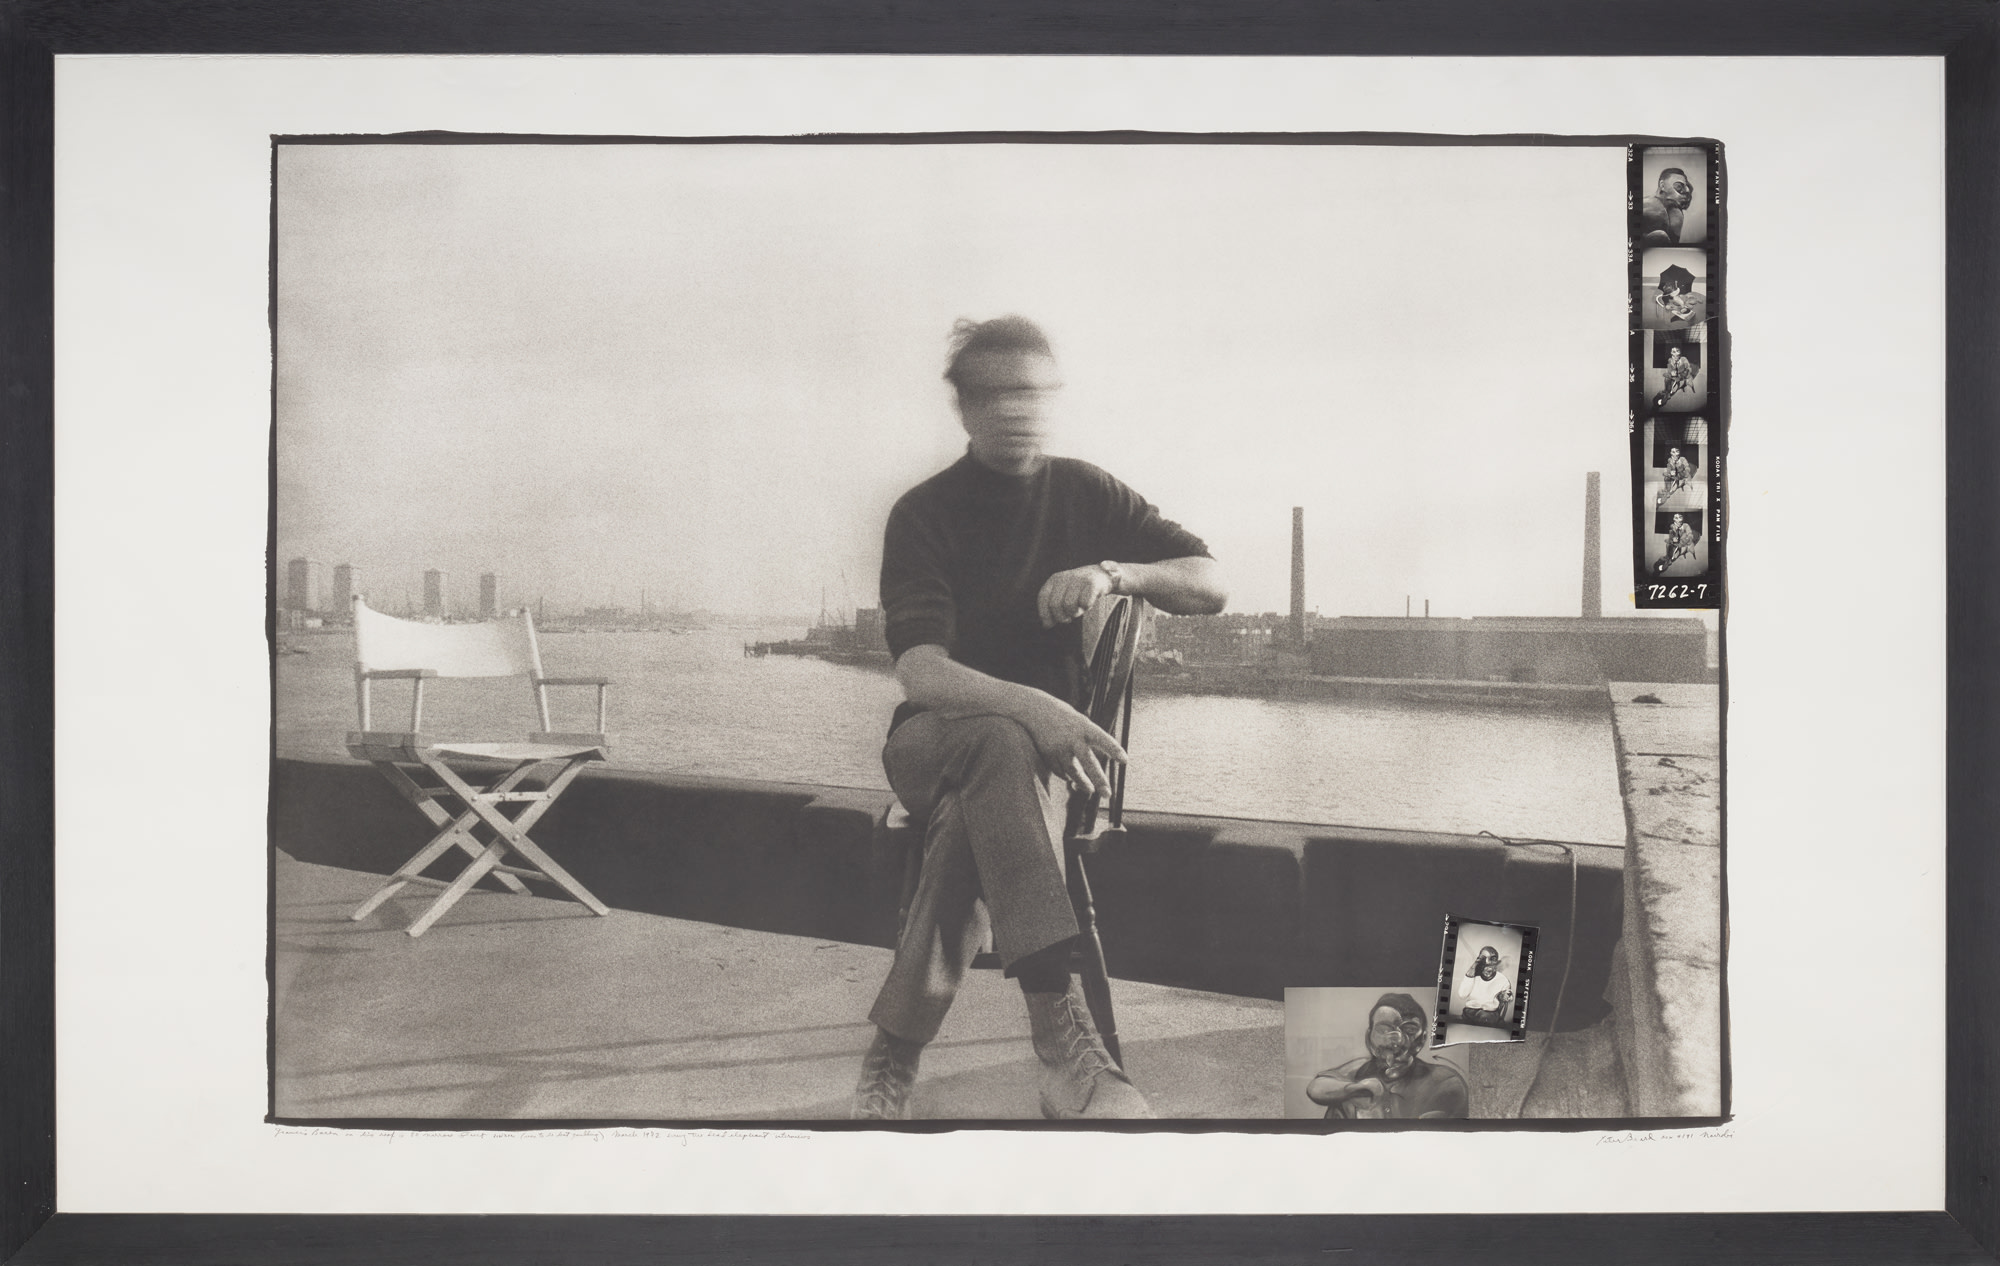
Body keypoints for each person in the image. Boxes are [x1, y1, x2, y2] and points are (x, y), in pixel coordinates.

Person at [852, 316, 1228, 1121]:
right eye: (995, 393)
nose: (1017, 410)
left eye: (1033, 391)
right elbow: (921, 671)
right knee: (995, 739)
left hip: (1035, 768)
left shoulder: (1087, 493)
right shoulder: (924, 513)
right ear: (962, 407)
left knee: (974, 812)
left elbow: (1210, 583)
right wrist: (1042, 710)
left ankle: (893, 1057)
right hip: (931, 744)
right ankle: (1060, 1040)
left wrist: (1114, 571)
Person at [1306, 993, 1469, 1121]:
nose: (1395, 1041)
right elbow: (1316, 1086)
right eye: (1383, 1030)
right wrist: (1358, 1089)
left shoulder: (1443, 1083)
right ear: (1368, 1037)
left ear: (1422, 1039)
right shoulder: (1361, 1069)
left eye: (1409, 1030)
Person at [1454, 945, 1513, 1027]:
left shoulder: (1503, 980)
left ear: (1497, 962)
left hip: (1489, 1015)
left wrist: (1504, 996)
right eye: (1484, 958)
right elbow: (1462, 995)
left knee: (1484, 1017)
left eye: (1492, 959)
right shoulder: (1473, 975)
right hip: (1470, 1012)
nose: (1488, 963)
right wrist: (1473, 968)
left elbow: (1506, 996)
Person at [1640, 166, 1695, 247]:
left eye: (1685, 187)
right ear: (1662, 185)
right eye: (1679, 186)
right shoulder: (1644, 205)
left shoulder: (1676, 213)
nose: (1686, 191)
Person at [1655, 344, 1697, 408]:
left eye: (1677, 351)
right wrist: (1671, 372)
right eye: (1673, 351)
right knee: (1667, 378)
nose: (1675, 354)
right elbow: (1669, 368)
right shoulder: (1670, 360)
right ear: (1671, 353)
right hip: (1674, 375)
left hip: (1683, 375)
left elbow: (1688, 369)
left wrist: (1680, 374)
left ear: (1680, 352)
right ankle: (1667, 392)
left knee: (1677, 383)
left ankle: (1667, 396)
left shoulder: (1683, 359)